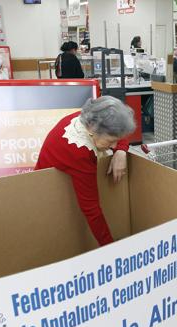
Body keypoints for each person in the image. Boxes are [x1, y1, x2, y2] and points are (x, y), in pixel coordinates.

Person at [35, 96, 135, 246]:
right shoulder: (79, 151)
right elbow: (91, 209)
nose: (114, 146)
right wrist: (110, 248)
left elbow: (119, 131)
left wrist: (121, 151)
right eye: (110, 141)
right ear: (94, 130)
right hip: (44, 198)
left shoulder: (89, 118)